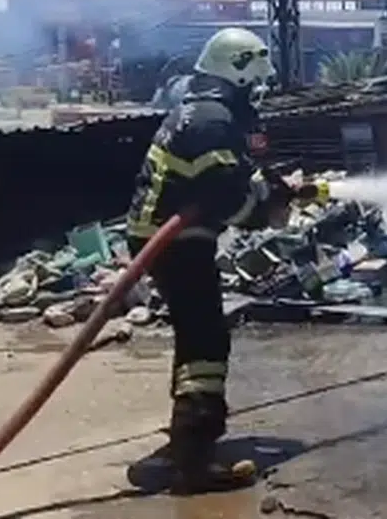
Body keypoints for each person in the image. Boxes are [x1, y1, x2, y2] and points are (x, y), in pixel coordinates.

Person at [123, 27, 286, 495]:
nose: (260, 92)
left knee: (199, 334)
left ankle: (185, 439)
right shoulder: (212, 121)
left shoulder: (202, 112)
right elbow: (226, 198)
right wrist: (263, 207)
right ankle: (192, 461)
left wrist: (262, 187)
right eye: (257, 81)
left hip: (166, 237)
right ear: (238, 74)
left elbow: (226, 181)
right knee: (206, 341)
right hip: (174, 242)